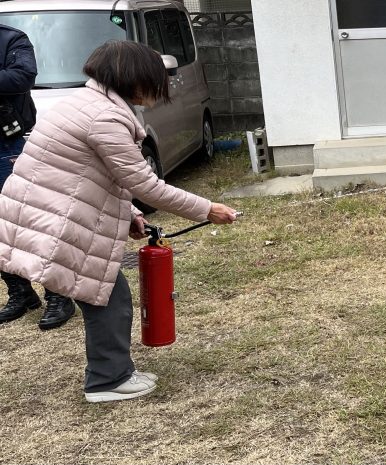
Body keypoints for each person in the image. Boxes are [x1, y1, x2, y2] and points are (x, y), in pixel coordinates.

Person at [0, 41, 238, 403]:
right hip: (58, 220)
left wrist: (131, 214)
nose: (160, 88)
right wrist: (207, 209)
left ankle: (113, 372)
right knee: (106, 295)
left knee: (105, 293)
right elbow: (145, 184)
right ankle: (107, 381)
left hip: (52, 214)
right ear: (133, 79)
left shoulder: (86, 103)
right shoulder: (105, 118)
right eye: (156, 80)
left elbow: (99, 176)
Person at [0, 24, 78, 330]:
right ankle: (20, 292)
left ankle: (58, 294)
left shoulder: (11, 38)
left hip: (7, 143)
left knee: (30, 220)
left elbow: (22, 77)